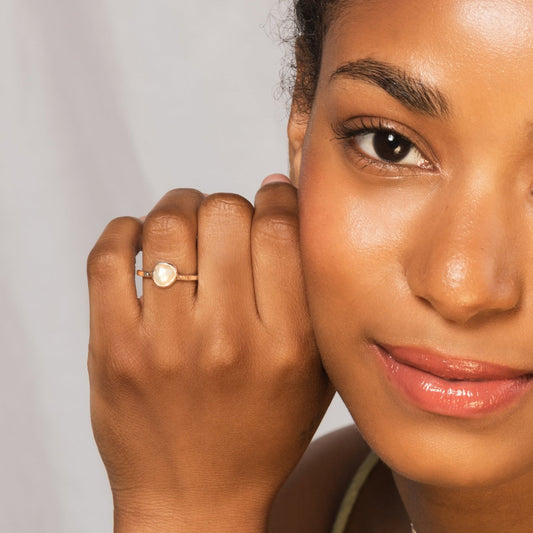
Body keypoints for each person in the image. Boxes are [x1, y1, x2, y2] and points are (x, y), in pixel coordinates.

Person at [86, 0, 533, 531]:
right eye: (390, 146)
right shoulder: (321, 500)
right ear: (304, 112)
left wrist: (185, 510)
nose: (460, 287)